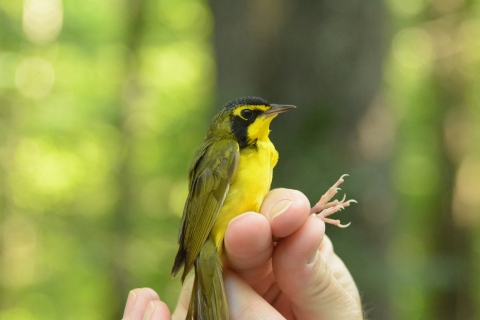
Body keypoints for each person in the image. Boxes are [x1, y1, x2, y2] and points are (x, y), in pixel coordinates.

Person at [122, 188, 363, 320]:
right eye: (250, 114)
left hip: (236, 248)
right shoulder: (229, 151)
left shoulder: (267, 154)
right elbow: (205, 212)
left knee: (262, 226)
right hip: (210, 242)